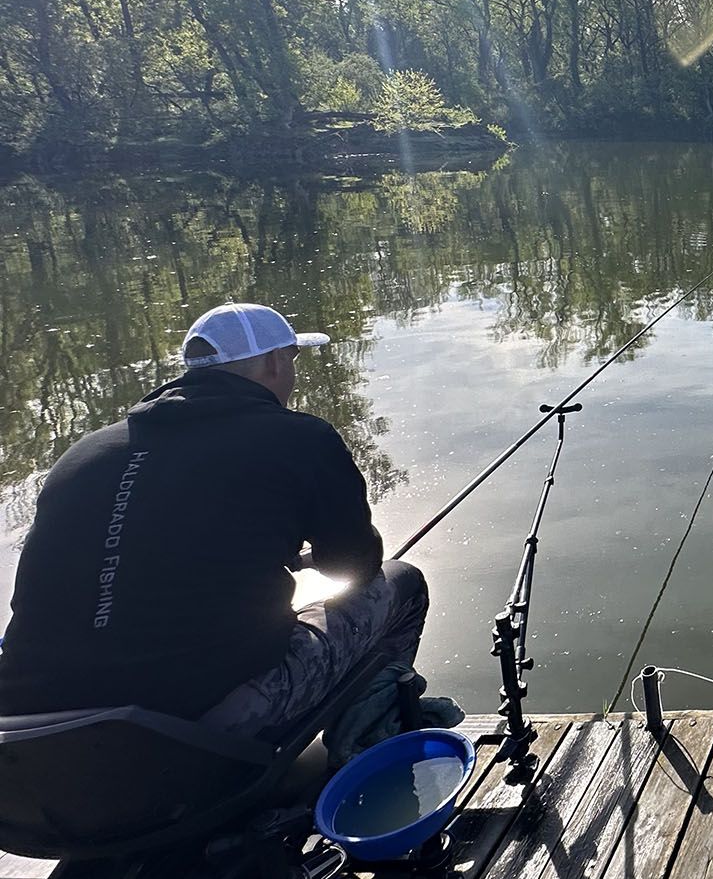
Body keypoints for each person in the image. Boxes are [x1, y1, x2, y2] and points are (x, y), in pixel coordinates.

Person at [0, 303, 429, 741]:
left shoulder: (84, 452)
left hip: (28, 733)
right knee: (400, 583)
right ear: (273, 361)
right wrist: (315, 557)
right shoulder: (300, 438)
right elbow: (354, 567)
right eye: (292, 359)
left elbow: (143, 551)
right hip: (186, 736)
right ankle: (369, 737)